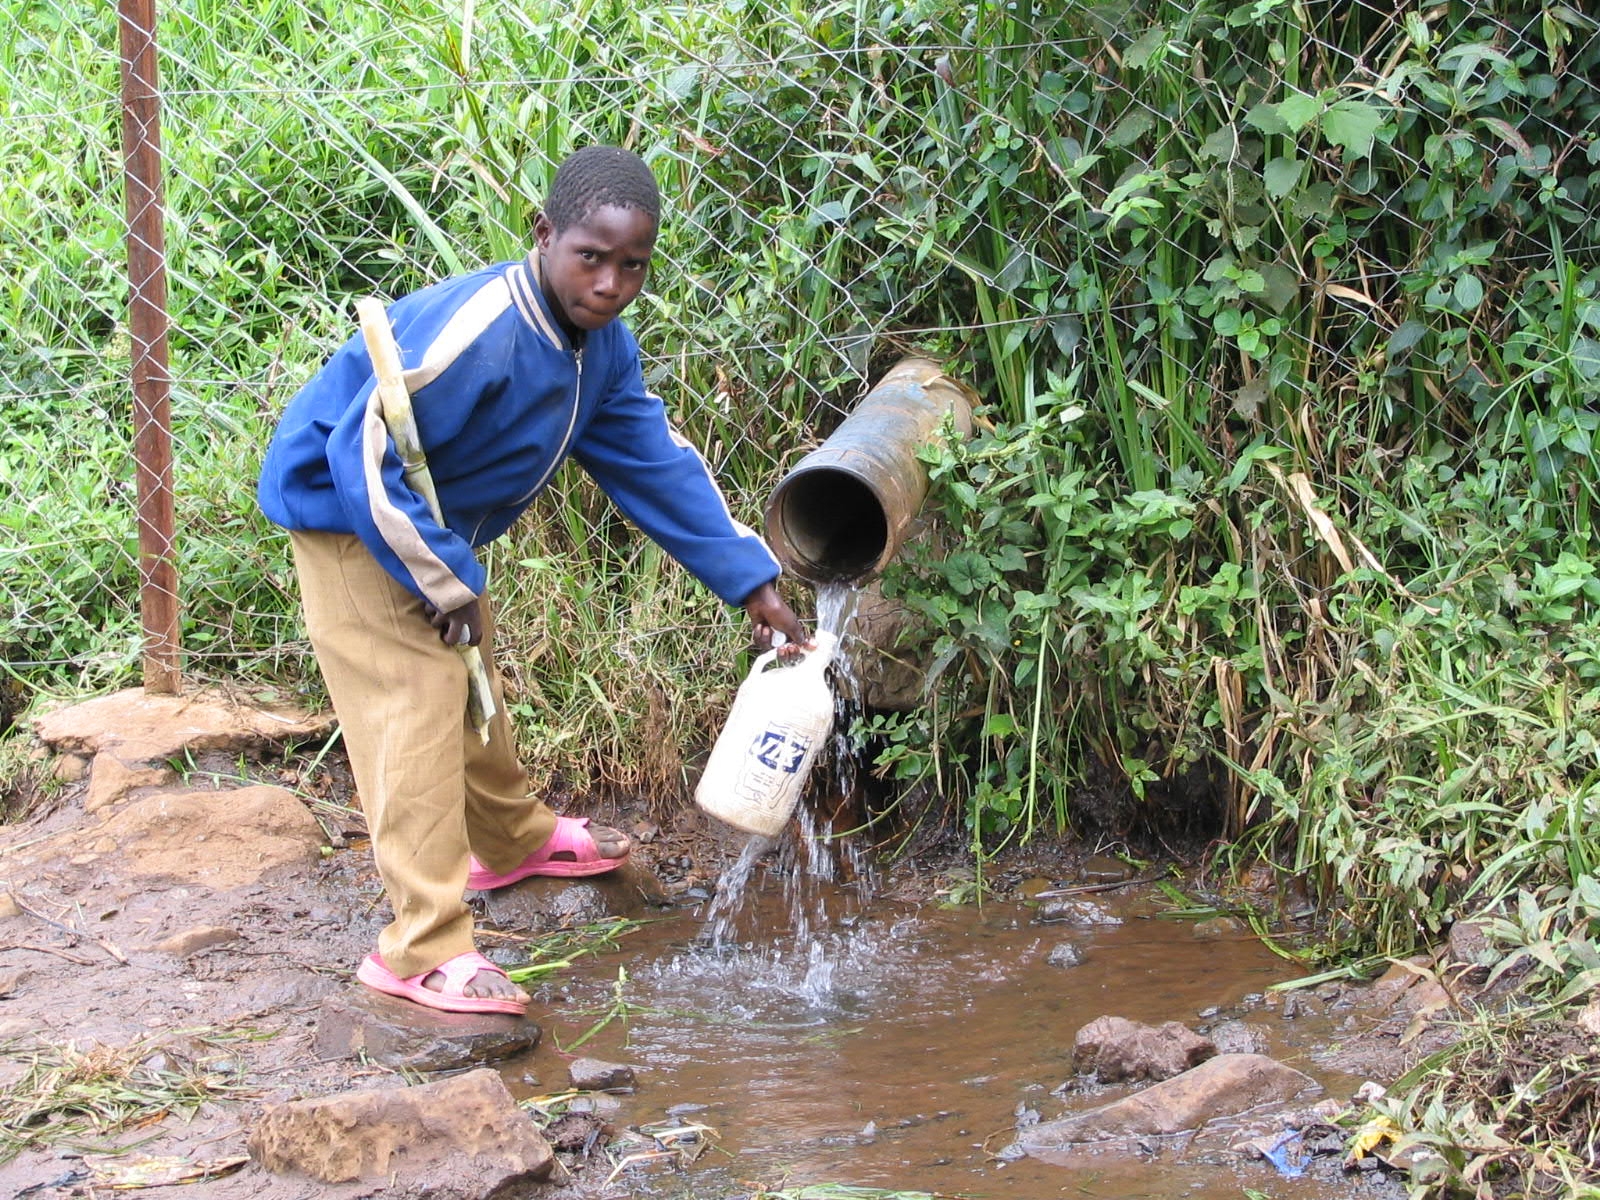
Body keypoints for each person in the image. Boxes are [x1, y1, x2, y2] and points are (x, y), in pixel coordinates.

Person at [257, 145, 809, 1017]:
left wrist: (751, 582)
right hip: (349, 518)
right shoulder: (483, 333)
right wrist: (446, 580)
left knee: (469, 678)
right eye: (591, 257)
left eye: (634, 266)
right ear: (545, 234)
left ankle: (511, 840)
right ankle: (420, 948)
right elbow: (356, 450)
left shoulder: (600, 351)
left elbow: (653, 463)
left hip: (432, 527)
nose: (611, 284)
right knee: (414, 705)